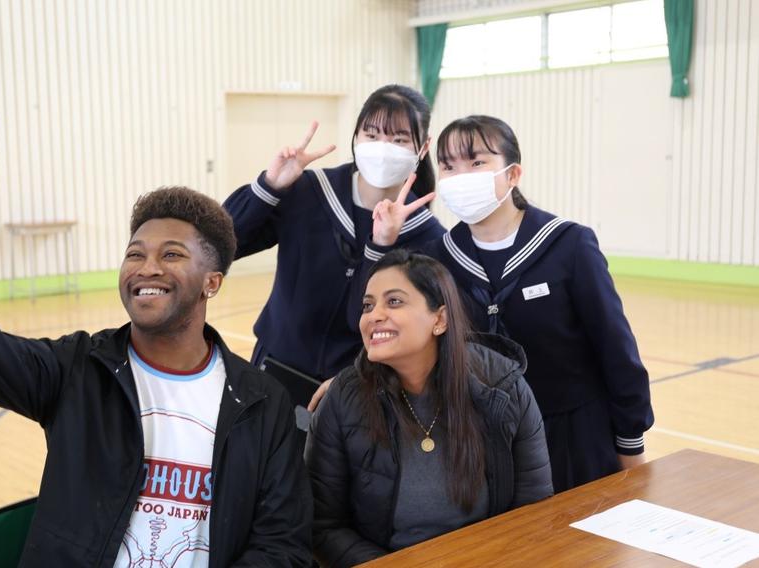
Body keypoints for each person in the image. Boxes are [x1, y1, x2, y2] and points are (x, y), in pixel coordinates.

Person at [0, 116, 312, 567]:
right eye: (135, 253)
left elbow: (282, 545)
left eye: (171, 254)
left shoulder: (262, 403)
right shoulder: (77, 370)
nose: (146, 267)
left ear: (211, 282)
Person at [364, 115, 654, 492]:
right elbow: (383, 321)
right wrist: (384, 240)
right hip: (481, 442)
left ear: (513, 174)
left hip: (573, 439)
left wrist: (631, 444)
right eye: (449, 166)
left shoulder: (569, 245)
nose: (461, 175)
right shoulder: (438, 258)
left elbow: (617, 350)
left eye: (477, 162)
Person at [305, 250, 552, 567]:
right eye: (368, 305)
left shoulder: (505, 389)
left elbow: (534, 511)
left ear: (440, 319)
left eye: (394, 301)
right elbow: (323, 526)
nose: (373, 315)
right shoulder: (343, 400)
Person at [223, 84, 444, 392]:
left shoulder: (429, 237)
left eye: (399, 139)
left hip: (357, 389)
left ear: (423, 147)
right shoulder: (309, 191)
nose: (382, 147)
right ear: (356, 137)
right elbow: (222, 244)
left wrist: (381, 247)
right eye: (372, 134)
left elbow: (372, 320)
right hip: (272, 371)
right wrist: (269, 187)